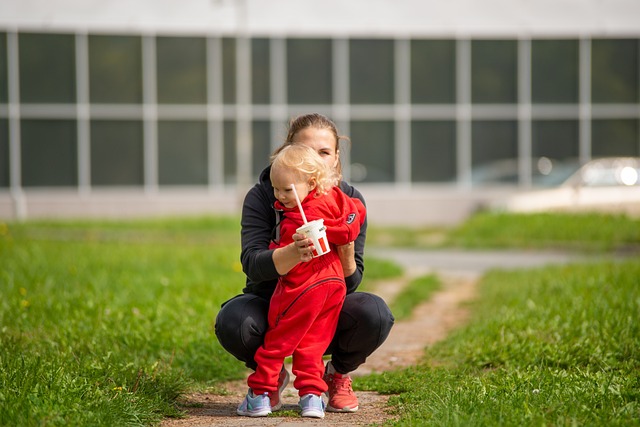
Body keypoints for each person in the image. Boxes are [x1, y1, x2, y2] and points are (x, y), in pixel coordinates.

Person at [215, 112, 394, 415]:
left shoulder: (348, 200)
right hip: (274, 301)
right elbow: (253, 265)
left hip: (326, 303)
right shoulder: (263, 197)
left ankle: (336, 374)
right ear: (286, 154)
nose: (315, 160)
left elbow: (352, 282)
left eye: (324, 152)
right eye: (305, 151)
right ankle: (271, 377)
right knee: (234, 320)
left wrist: (346, 248)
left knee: (374, 313)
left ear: (336, 159)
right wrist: (294, 251)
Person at [237, 144, 366, 418]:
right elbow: (356, 214)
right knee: (313, 345)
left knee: (277, 342)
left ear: (310, 183)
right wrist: (342, 232)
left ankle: (260, 395)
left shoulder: (295, 219)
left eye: (286, 190)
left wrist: (324, 233)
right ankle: (311, 398)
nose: (279, 196)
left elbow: (283, 260)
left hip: (300, 288)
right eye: (275, 188)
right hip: (332, 285)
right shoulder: (335, 198)